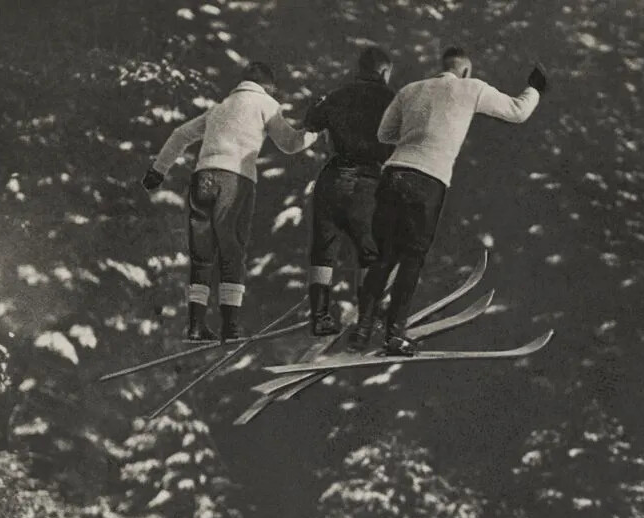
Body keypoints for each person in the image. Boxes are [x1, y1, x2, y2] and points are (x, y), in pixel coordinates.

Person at [348, 47, 547, 355]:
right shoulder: (472, 87)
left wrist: (415, 132)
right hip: (428, 179)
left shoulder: (410, 89)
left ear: (440, 66)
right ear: (465, 70)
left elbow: (384, 134)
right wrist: (535, 88)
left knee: (384, 255)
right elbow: (517, 112)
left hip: (393, 174)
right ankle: (394, 334)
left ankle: (362, 329)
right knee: (412, 258)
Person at [142, 62, 318, 343]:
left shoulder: (220, 107)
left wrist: (158, 170)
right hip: (236, 180)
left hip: (203, 177)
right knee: (232, 249)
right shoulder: (266, 104)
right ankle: (230, 325)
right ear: (268, 85)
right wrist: (314, 129)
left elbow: (180, 134)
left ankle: (196, 325)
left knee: (202, 254)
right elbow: (290, 144)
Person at [302, 46, 396, 336]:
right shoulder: (391, 99)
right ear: (383, 71)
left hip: (331, 179)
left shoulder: (338, 94)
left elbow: (311, 122)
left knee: (323, 251)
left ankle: (319, 317)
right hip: (366, 181)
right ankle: (369, 318)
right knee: (370, 251)